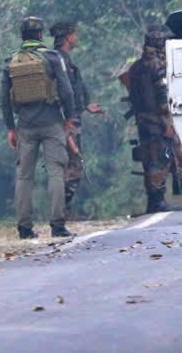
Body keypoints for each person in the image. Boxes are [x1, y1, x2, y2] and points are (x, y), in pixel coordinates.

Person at [1, 16, 78, 238]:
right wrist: (70, 117)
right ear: (41, 35)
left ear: (22, 35)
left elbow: (4, 99)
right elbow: (66, 90)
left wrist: (10, 128)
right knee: (55, 171)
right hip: (52, 122)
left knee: (24, 176)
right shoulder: (52, 58)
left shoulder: (11, 61)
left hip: (25, 125)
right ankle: (57, 226)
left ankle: (25, 228)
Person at [125, 26, 182, 213]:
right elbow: (161, 97)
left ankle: (156, 201)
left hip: (143, 121)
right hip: (158, 121)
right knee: (172, 158)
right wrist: (168, 124)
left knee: (151, 160)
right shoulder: (157, 66)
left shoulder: (135, 67)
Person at [50, 21, 104, 217]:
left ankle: (63, 212)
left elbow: (72, 93)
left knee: (71, 165)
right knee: (72, 166)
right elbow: (63, 94)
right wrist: (68, 120)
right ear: (67, 37)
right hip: (66, 122)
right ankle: (60, 212)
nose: (77, 37)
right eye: (74, 33)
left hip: (70, 119)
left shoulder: (63, 60)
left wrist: (85, 107)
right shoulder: (60, 61)